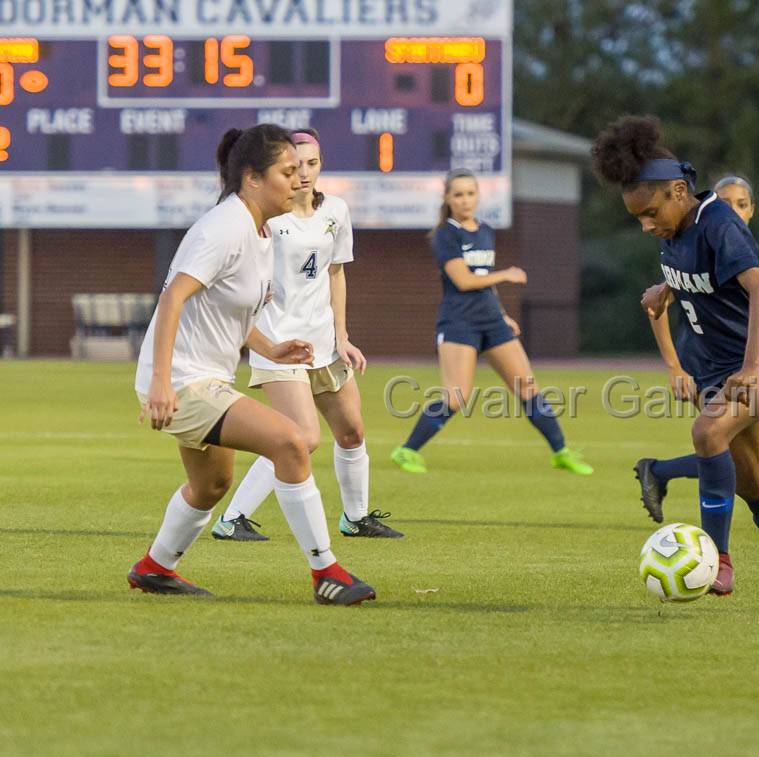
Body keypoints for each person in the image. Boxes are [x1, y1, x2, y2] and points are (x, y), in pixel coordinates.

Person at [128, 124, 376, 606]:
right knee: (290, 441)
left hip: (205, 378)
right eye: (286, 171)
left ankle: (155, 567)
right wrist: (161, 383)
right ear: (252, 179)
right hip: (183, 382)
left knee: (211, 485)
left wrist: (271, 346)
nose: (297, 180)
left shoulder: (259, 231)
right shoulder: (225, 227)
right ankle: (326, 572)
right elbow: (173, 298)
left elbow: (230, 309)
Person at [591, 116, 759, 611]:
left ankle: (716, 557)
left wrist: (750, 367)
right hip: (716, 368)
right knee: (752, 482)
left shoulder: (721, 223)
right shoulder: (671, 231)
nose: (646, 225)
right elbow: (704, 280)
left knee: (706, 433)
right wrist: (666, 289)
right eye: (638, 218)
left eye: (651, 212)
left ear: (679, 191)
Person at [210, 128, 403, 542]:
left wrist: (343, 336)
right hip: (278, 344)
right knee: (302, 438)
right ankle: (232, 519)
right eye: (295, 166)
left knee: (352, 432)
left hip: (324, 345)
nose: (304, 174)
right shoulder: (264, 218)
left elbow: (336, 273)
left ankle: (355, 517)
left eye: (312, 164)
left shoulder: (335, 211)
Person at [633, 175, 759, 534]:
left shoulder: (741, 245)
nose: (733, 210)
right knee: (731, 450)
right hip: (708, 366)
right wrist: (675, 368)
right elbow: (656, 305)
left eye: (741, 204)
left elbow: (756, 309)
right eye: (725, 203)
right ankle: (757, 536)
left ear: (753, 209)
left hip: (745, 364)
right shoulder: (698, 240)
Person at [390, 169, 594, 476]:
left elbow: (484, 281)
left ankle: (561, 451)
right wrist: (507, 273)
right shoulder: (446, 233)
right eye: (458, 194)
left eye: (470, 193)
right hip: (459, 322)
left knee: (528, 387)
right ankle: (407, 451)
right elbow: (463, 280)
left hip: (491, 321)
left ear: (478, 195)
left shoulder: (485, 229)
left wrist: (501, 314)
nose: (465, 200)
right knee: (457, 396)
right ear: (447, 198)